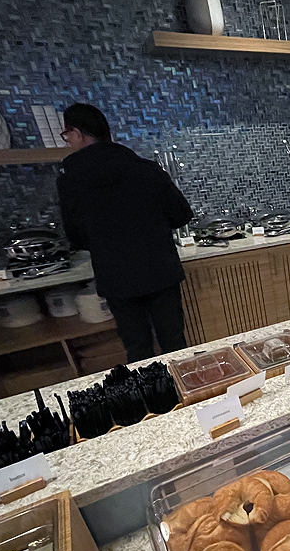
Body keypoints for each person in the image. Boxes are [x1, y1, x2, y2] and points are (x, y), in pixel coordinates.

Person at [58, 104, 194, 363]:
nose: (68, 141)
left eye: (67, 135)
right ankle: (182, 387)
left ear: (78, 133)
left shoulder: (70, 179)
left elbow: (76, 236)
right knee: (174, 344)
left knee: (137, 348)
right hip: (159, 270)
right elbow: (181, 215)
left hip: (116, 277)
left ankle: (150, 390)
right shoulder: (145, 169)